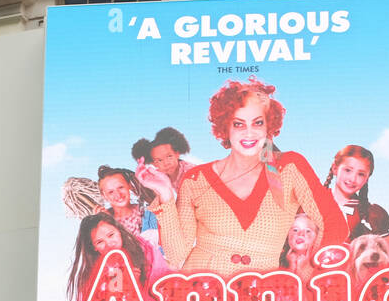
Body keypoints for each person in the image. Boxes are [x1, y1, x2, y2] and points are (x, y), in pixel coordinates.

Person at [136, 77, 346, 276]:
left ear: (269, 125)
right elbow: (176, 255)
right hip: (202, 291)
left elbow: (333, 222)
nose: (249, 133)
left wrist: (310, 271)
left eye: (257, 123)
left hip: (262, 293)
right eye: (238, 124)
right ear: (225, 127)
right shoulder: (196, 179)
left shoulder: (289, 167)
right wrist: (164, 193)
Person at [66, 213, 169, 301]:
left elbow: (164, 278)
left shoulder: (145, 247)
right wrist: (128, 287)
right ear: (94, 247)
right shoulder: (100, 274)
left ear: (118, 230)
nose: (109, 244)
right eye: (100, 242)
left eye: (111, 235)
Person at [323, 145, 389, 253]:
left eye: (361, 174)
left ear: (367, 178)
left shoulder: (368, 213)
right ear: (335, 168)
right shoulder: (313, 201)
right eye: (348, 170)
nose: (353, 179)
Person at [95, 165, 158, 246]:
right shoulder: (104, 223)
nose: (118, 195)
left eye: (121, 187)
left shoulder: (148, 213)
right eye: (111, 192)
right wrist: (105, 224)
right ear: (104, 196)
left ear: (129, 185)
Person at [132, 127, 194, 200]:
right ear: (153, 163)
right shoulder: (161, 176)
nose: (166, 163)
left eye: (169, 156)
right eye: (159, 160)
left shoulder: (191, 173)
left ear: (177, 154)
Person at [279, 211, 319, 281]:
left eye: (308, 231)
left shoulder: (320, 262)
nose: (301, 234)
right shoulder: (277, 259)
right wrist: (291, 265)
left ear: (317, 237)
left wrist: (300, 268)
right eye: (295, 230)